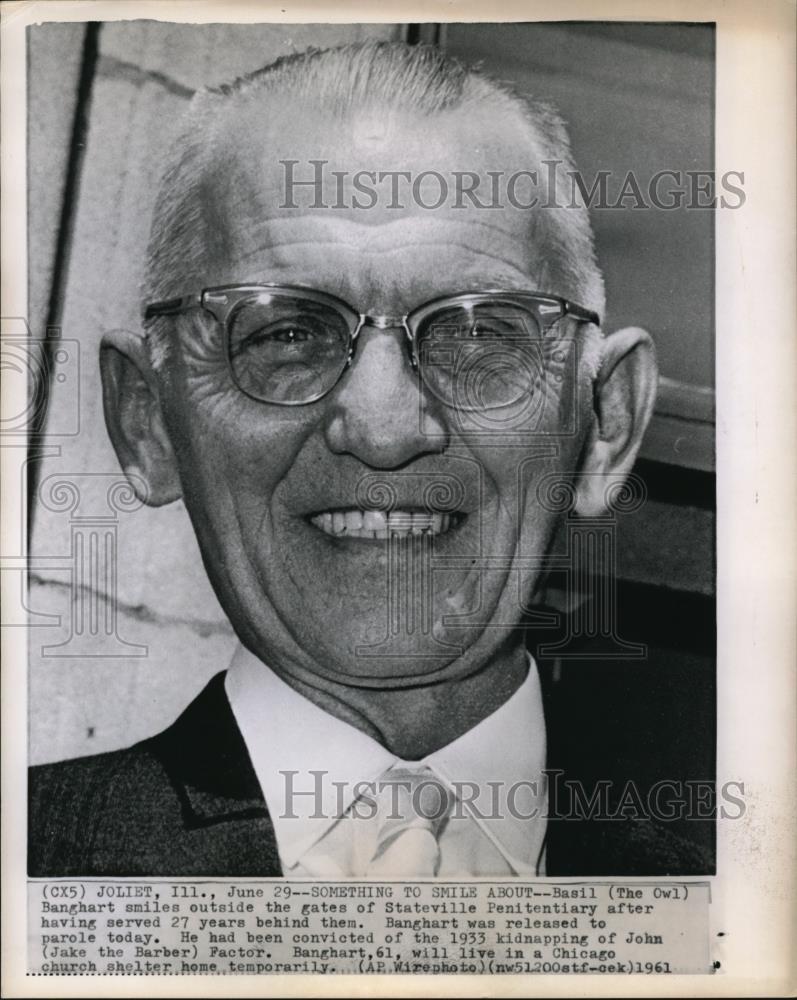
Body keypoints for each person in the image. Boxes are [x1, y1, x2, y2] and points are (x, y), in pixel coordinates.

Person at [29, 41, 708, 877]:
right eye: (285, 334)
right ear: (149, 422)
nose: (383, 429)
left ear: (604, 422)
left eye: (474, 334)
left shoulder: (738, 915)